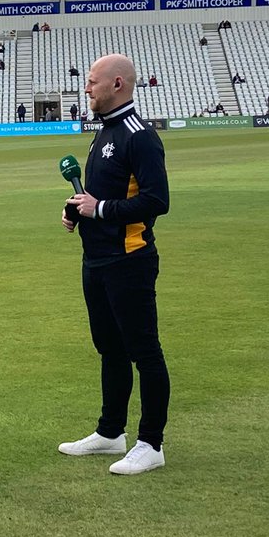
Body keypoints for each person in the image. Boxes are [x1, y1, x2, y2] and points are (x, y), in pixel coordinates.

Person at [58, 54, 171, 475]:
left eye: (91, 81)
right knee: (110, 349)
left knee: (145, 351)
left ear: (117, 84)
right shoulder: (103, 132)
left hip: (130, 259)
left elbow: (157, 201)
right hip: (97, 260)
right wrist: (74, 209)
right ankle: (110, 433)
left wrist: (99, 209)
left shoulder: (139, 136)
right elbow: (100, 194)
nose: (86, 88)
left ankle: (151, 443)